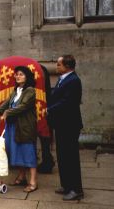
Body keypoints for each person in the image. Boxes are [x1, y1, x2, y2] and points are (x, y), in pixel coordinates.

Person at [0, 66, 38, 193]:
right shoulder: (16, 91)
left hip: (25, 126)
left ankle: (33, 181)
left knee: (28, 152)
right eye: (16, 74)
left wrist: (7, 112)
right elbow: (5, 104)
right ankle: (21, 177)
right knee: (16, 151)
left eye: (21, 74)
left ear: (27, 76)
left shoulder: (30, 91)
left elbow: (24, 106)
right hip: (13, 126)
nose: (17, 76)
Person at [46, 55, 84, 201]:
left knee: (71, 158)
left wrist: (49, 110)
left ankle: (76, 189)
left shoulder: (74, 80)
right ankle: (67, 185)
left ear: (67, 66)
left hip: (70, 125)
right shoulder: (64, 78)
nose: (57, 67)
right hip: (61, 124)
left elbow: (68, 102)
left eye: (59, 65)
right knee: (62, 156)